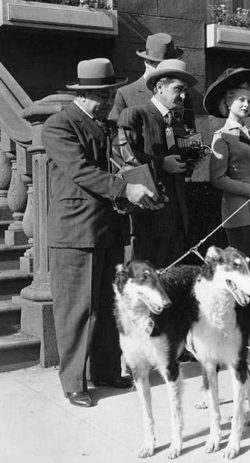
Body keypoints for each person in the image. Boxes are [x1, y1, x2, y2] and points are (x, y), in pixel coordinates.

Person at [42, 58, 162, 408]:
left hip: (108, 230)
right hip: (76, 232)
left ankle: (107, 371)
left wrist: (143, 187)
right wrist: (127, 190)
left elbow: (121, 166)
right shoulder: (58, 126)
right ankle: (73, 382)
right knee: (77, 311)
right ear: (81, 93)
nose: (108, 100)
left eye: (110, 92)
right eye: (101, 94)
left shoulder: (104, 125)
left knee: (109, 308)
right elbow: (81, 171)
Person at [118, 59, 197, 268]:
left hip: (176, 220)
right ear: (160, 87)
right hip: (147, 220)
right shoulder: (135, 115)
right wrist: (161, 163)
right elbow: (123, 159)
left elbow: (186, 159)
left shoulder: (178, 121)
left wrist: (194, 156)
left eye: (185, 91)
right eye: (178, 89)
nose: (183, 96)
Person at [205, 68, 250, 259]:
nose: (247, 105)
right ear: (229, 101)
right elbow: (217, 178)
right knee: (247, 265)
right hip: (238, 210)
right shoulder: (222, 136)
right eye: (241, 100)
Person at [108, 32, 195, 131]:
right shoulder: (125, 94)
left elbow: (190, 132)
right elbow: (116, 135)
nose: (166, 69)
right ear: (147, 62)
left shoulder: (182, 95)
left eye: (170, 64)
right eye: (160, 64)